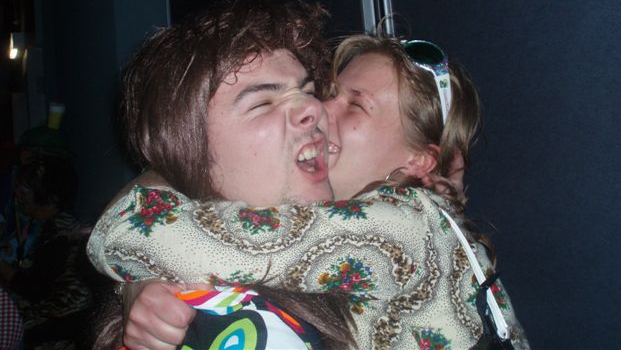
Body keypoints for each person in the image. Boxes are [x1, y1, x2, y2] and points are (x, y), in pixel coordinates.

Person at [89, 31, 529, 348]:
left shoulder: (405, 226)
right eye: (330, 92)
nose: (320, 108)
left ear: (418, 162)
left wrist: (136, 274)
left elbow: (171, 239)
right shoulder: (427, 227)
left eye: (355, 104)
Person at [89, 0, 356, 350]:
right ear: (194, 154)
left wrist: (137, 274)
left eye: (308, 92)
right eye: (263, 102)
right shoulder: (254, 330)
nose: (315, 108)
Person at [0, 155, 94, 349]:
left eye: (26, 188)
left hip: (50, 333)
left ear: (50, 197)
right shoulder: (51, 225)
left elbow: (32, 290)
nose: (18, 193)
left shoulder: (61, 237)